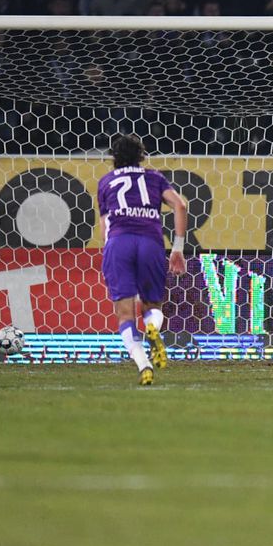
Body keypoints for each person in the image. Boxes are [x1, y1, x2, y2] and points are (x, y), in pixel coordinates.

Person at [97, 134, 188, 386]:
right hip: (150, 242)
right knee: (152, 305)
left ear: (114, 158)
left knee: (125, 314)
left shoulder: (105, 182)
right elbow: (180, 206)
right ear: (142, 156)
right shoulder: (154, 178)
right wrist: (177, 249)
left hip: (119, 242)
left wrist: (112, 254)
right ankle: (154, 330)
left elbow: (105, 224)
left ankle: (144, 366)